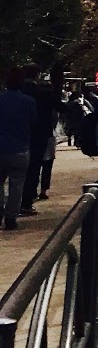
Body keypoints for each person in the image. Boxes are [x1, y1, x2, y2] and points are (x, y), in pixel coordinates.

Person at [0, 70, 37, 231]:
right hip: (20, 148)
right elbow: (33, 122)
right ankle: (11, 217)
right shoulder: (29, 101)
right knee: (17, 185)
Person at [21, 67, 57, 209]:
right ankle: (27, 201)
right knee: (34, 168)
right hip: (40, 134)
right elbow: (58, 108)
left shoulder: (19, 92)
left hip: (20, 135)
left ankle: (11, 205)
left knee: (15, 174)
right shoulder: (44, 94)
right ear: (37, 75)